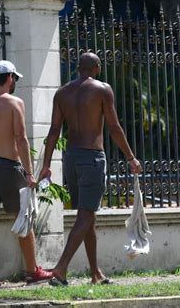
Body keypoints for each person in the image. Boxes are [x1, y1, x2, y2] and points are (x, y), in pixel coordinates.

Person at [39, 52, 142, 286]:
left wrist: (46, 165)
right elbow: (114, 127)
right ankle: (60, 268)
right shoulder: (102, 89)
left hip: (71, 159)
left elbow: (54, 131)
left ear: (78, 68)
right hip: (92, 157)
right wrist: (131, 158)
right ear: (96, 67)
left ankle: (96, 273)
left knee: (87, 216)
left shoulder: (62, 92)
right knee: (86, 215)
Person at [0, 60, 53, 288]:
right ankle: (32, 271)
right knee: (24, 216)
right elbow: (20, 138)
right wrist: (29, 173)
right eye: (15, 78)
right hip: (8, 167)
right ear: (9, 78)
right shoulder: (15, 102)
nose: (15, 82)